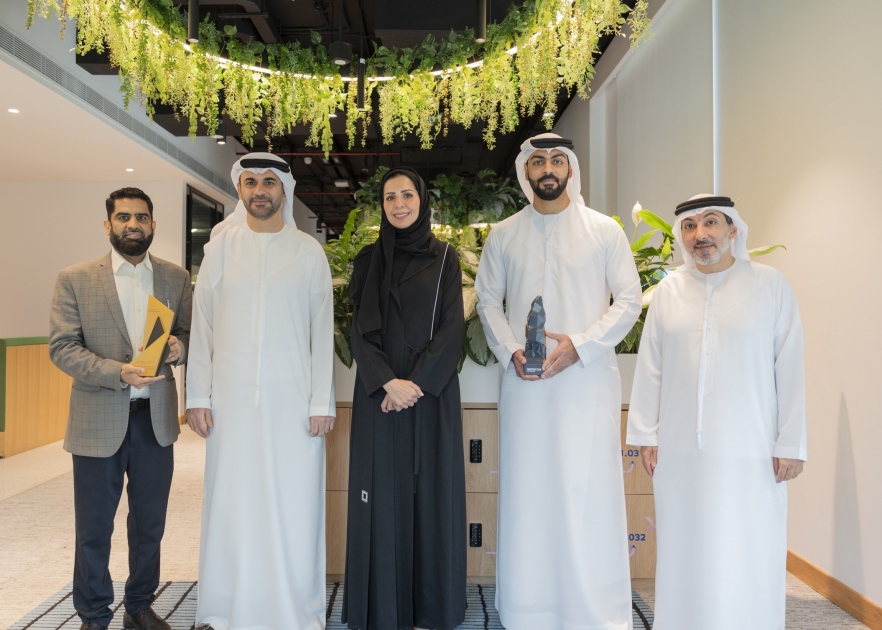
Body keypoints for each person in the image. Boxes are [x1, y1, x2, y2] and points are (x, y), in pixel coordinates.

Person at [474, 133, 642, 630]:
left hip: (585, 385)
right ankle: (528, 608)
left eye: (556, 160)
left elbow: (629, 299)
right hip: (524, 386)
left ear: (570, 168)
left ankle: (591, 610)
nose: (547, 169)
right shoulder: (504, 234)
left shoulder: (604, 231)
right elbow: (487, 301)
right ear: (525, 171)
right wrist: (511, 350)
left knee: (585, 490)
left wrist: (581, 346)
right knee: (528, 490)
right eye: (538, 161)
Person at [626, 194, 807, 630]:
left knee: (748, 547)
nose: (700, 234)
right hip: (680, 451)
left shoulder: (770, 285)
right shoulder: (669, 291)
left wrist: (791, 442)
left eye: (711, 223)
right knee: (685, 547)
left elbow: (790, 366)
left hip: (751, 451)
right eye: (690, 226)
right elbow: (651, 367)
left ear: (733, 230)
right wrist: (646, 435)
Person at [185, 152, 336, 630]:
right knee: (232, 503)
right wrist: (198, 396)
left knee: (293, 503)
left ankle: (293, 610)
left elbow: (321, 331)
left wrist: (321, 401)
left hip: (294, 404)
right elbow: (203, 326)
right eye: (250, 182)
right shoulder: (218, 250)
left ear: (283, 190)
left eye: (269, 182)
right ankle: (225, 608)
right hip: (229, 403)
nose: (259, 191)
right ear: (240, 189)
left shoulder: (308, 252)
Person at [49, 187, 192, 630]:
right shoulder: (75, 278)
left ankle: (139, 607)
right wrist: (117, 372)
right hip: (97, 421)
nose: (133, 224)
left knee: (149, 525)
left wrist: (178, 347)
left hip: (155, 422)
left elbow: (188, 334)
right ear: (107, 224)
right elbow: (62, 348)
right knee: (94, 528)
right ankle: (94, 615)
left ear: (153, 225)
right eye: (124, 217)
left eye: (141, 217)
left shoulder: (175, 278)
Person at [342, 167, 467, 630]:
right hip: (380, 395)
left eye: (407, 195)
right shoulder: (367, 260)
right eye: (390, 197)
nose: (399, 204)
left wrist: (414, 384)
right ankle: (382, 610)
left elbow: (453, 328)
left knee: (433, 495)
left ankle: (433, 608)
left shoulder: (446, 257)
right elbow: (359, 331)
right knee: (380, 497)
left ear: (422, 200)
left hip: (430, 393)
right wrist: (387, 382)